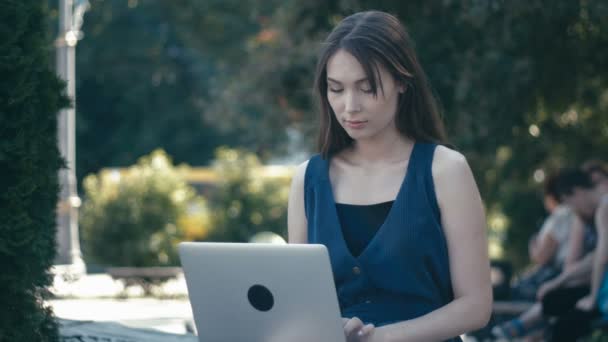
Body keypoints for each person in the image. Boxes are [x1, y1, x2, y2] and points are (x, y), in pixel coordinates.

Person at [287, 11, 492, 342]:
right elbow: (298, 299)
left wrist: (380, 337)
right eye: (335, 89)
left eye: (367, 88)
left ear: (402, 81)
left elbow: (475, 306)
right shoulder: (307, 179)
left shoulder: (445, 170)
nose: (349, 106)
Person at [536, 168, 608, 341]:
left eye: (570, 203)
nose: (573, 210)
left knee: (563, 324)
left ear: (577, 192)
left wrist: (593, 297)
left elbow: (602, 257)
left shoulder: (604, 208)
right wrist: (558, 282)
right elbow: (596, 257)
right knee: (555, 304)